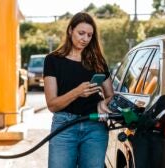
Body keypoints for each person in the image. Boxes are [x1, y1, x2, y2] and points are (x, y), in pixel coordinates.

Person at [43, 12, 114, 168]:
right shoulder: (53, 60)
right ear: (70, 31)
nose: (85, 39)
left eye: (89, 35)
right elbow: (52, 105)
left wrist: (104, 103)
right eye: (81, 33)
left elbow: (110, 95)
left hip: (95, 127)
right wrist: (77, 92)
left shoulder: (98, 61)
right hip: (64, 126)